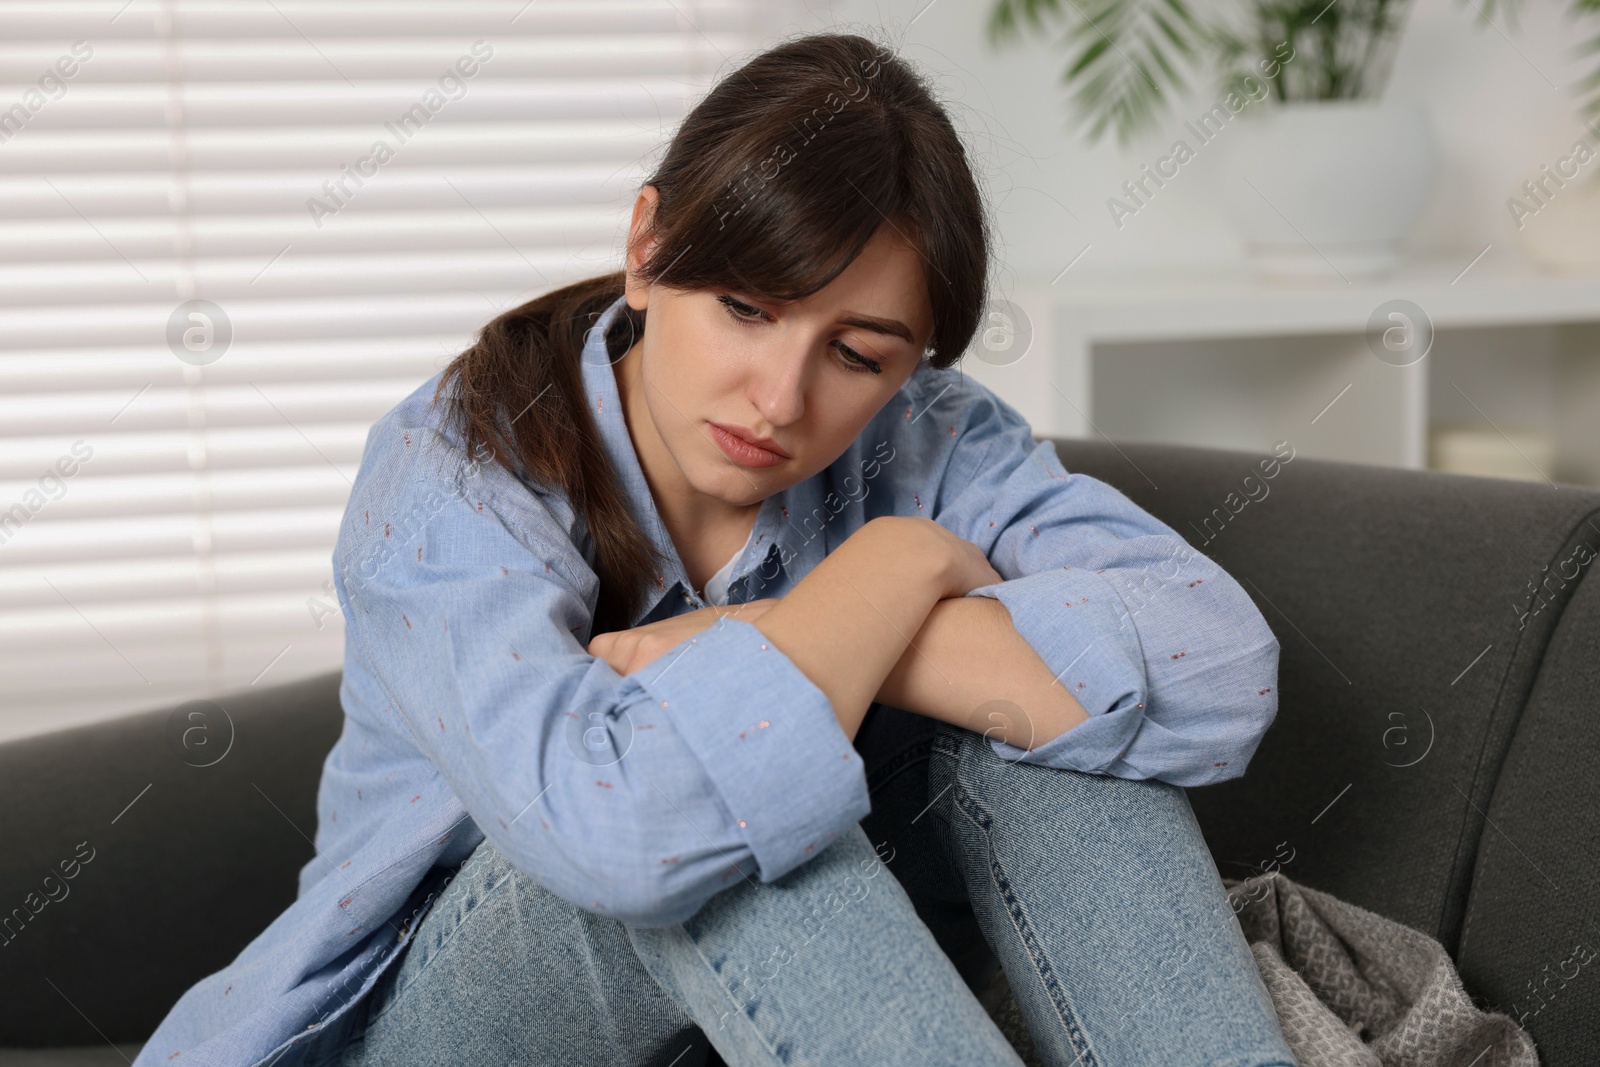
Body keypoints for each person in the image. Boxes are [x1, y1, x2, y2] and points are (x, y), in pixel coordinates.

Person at [133, 31, 1296, 1067]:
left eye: (859, 353)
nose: (779, 397)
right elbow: (623, 838)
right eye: (746, 307)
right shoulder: (451, 473)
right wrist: (898, 569)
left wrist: (797, 621)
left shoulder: (928, 437)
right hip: (441, 1019)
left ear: (913, 359)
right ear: (649, 246)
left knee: (1061, 735)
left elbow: (1222, 671)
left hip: (777, 1013)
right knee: (717, 811)